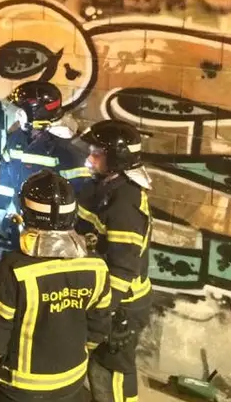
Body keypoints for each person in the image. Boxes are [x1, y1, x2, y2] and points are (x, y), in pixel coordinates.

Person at [0, 170, 112, 402]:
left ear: (27, 214)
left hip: (21, 390)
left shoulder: (13, 269)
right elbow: (99, 326)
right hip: (72, 383)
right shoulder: (97, 266)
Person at [76, 120, 152, 402]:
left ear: (116, 159)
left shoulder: (124, 203)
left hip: (123, 304)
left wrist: (106, 311)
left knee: (113, 372)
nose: (90, 158)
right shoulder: (103, 187)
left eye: (97, 153)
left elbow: (123, 268)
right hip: (107, 296)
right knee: (98, 368)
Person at [0, 81, 91, 248]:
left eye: (21, 111)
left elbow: (79, 196)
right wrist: (0, 209)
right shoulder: (16, 138)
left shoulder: (68, 150)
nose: (17, 115)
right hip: (21, 222)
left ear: (36, 114)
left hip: (52, 233)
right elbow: (6, 179)